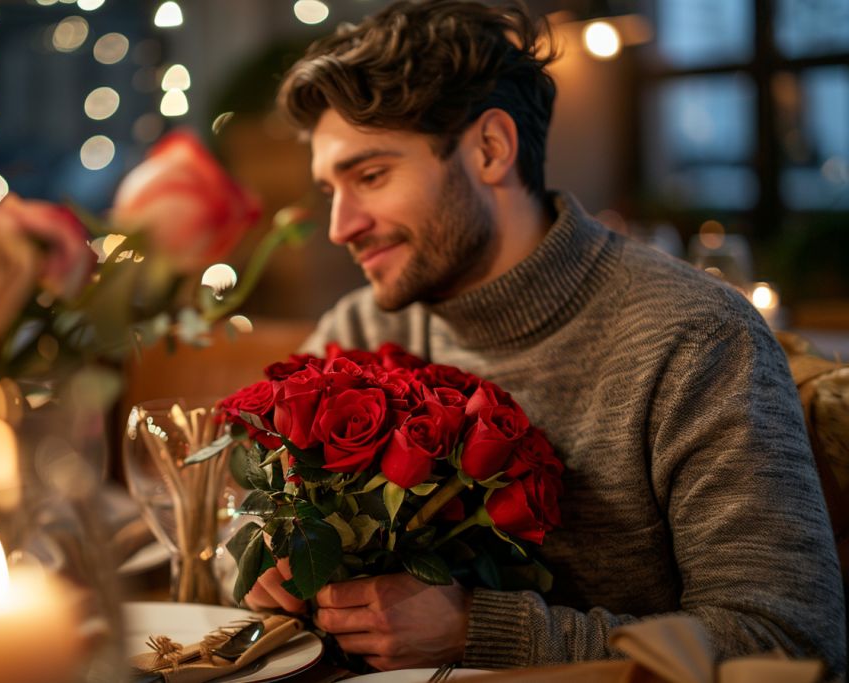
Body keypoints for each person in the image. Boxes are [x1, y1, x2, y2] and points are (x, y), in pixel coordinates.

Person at [243, 0, 847, 675]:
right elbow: (239, 531)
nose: (340, 225)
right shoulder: (359, 328)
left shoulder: (695, 338)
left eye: (371, 175)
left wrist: (476, 628)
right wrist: (264, 564)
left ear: (491, 148)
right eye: (330, 188)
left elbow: (790, 640)